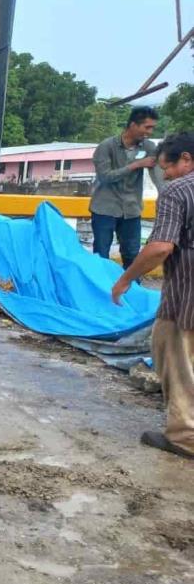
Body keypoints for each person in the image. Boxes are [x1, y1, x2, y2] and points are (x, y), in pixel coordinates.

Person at [112, 132, 194, 458]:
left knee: (174, 355)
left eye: (167, 168)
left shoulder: (177, 191)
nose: (166, 175)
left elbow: (160, 247)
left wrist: (125, 280)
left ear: (186, 159)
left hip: (186, 295)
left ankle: (185, 437)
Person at [90, 106, 164, 268]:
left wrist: (164, 195)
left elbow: (159, 173)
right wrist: (136, 165)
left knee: (132, 255)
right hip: (105, 209)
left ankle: (132, 291)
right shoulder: (106, 146)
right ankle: (100, 290)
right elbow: (105, 177)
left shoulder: (149, 147)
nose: (150, 132)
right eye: (147, 127)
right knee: (101, 254)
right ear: (133, 125)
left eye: (152, 128)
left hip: (132, 210)